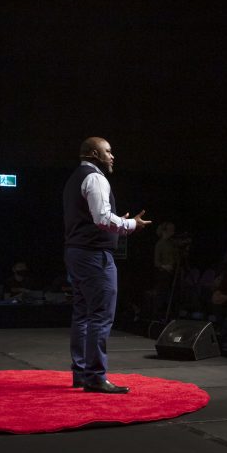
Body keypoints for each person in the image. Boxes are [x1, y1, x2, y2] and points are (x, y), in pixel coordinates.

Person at [63, 136, 151, 394]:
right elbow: (102, 219)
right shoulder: (96, 178)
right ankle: (95, 376)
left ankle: (80, 373)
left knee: (82, 315)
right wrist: (131, 225)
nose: (112, 156)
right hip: (94, 256)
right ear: (93, 153)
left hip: (76, 253)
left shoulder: (73, 179)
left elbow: (89, 217)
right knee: (100, 316)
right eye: (108, 151)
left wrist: (116, 223)